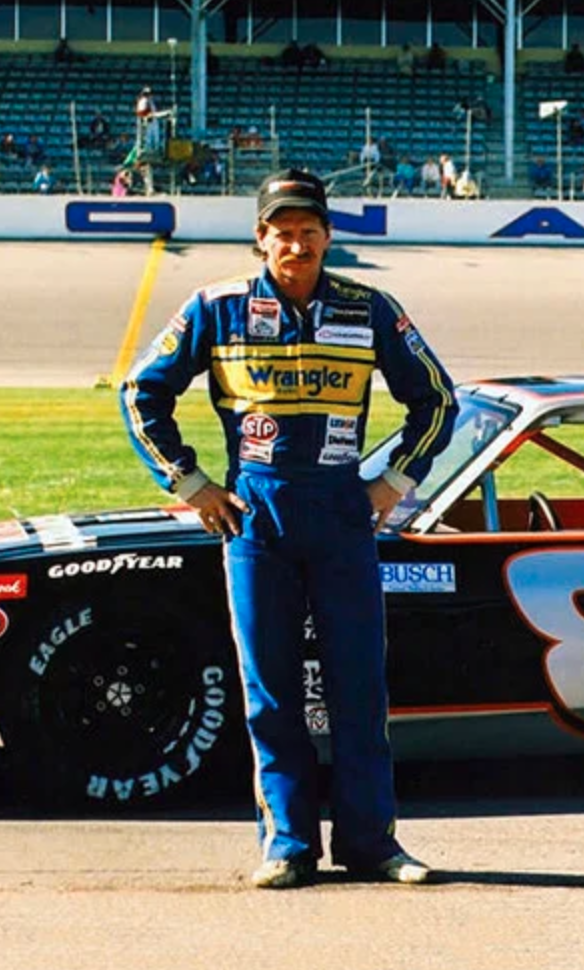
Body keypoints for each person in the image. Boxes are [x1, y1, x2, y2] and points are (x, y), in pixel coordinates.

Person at [120, 169, 457, 891]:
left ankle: (372, 844)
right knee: (270, 688)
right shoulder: (216, 307)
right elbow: (140, 391)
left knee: (357, 684)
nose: (296, 245)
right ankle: (287, 843)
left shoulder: (370, 309)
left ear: (328, 237)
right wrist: (190, 482)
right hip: (255, 515)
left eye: (309, 232)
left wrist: (393, 481)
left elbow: (436, 400)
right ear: (260, 240)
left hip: (341, 511)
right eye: (282, 232)